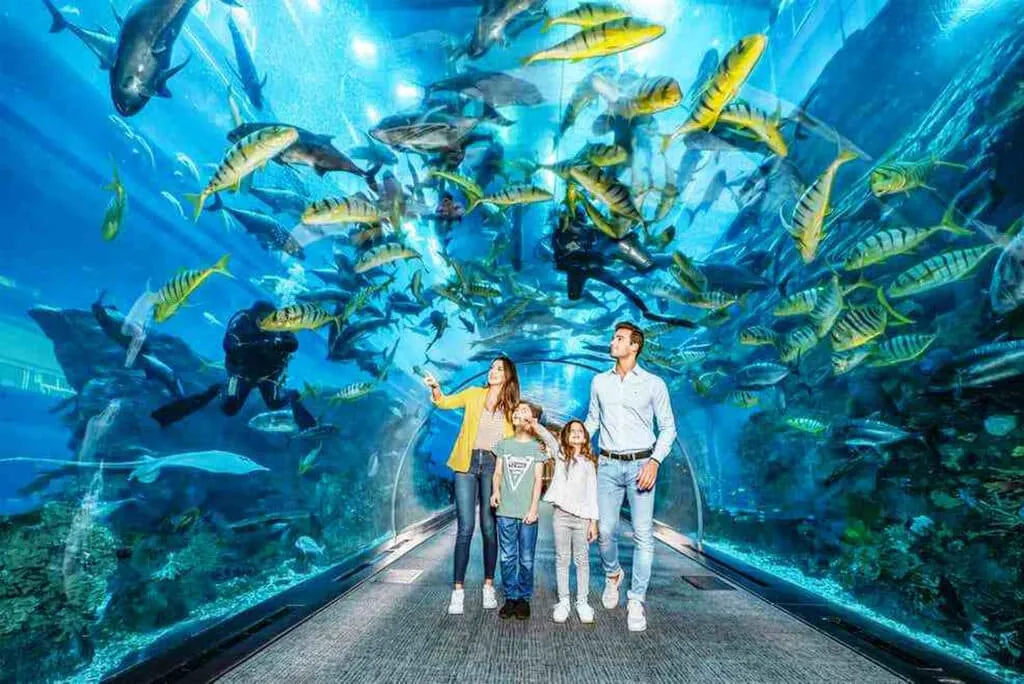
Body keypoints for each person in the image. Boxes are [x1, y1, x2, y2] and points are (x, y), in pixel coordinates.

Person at [584, 321, 677, 632]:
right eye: (614, 337)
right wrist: (573, 441)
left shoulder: (654, 384)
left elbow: (668, 428)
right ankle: (613, 574)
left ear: (634, 346)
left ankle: (636, 599)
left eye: (619, 338)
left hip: (641, 465)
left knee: (642, 534)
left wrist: (655, 461)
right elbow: (593, 420)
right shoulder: (599, 382)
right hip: (608, 465)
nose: (613, 342)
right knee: (605, 531)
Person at [424, 356, 520, 616]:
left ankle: (488, 585)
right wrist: (436, 388)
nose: (493, 372)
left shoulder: (512, 407)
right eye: (491, 368)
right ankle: (458, 591)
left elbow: (517, 440)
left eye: (499, 369)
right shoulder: (474, 394)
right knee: (465, 528)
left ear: (508, 375)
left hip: (493, 466)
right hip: (466, 463)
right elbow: (444, 402)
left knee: (489, 528)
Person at [150, 301, 317, 431]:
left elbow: (293, 344)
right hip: (242, 373)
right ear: (253, 316)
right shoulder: (242, 320)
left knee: (274, 403)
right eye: (262, 319)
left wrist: (278, 343)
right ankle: (217, 390)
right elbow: (229, 345)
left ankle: (294, 398)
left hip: (269, 374)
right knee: (229, 409)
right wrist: (260, 345)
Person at [537, 418, 599, 624]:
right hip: (561, 516)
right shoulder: (561, 455)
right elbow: (547, 437)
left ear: (585, 438)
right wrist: (534, 424)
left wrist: (593, 522)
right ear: (566, 436)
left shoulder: (589, 463)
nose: (576, 433)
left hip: (582, 518)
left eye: (580, 431)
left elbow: (592, 494)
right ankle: (563, 601)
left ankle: (582, 602)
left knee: (582, 560)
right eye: (572, 431)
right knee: (562, 558)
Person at [489, 401, 546, 620]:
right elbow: (498, 473)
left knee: (526, 558)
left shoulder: (537, 448)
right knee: (507, 556)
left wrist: (534, 508)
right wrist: (495, 491)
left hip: (527, 512)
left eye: (524, 411)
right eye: (516, 410)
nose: (517, 413)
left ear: (532, 420)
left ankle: (524, 598)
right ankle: (510, 597)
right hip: (505, 510)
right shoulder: (504, 445)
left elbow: (538, 479)